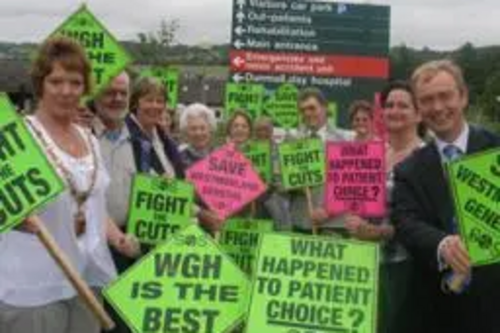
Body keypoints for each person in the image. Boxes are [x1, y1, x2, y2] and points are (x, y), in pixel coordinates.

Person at [0, 37, 116, 333]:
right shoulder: (17, 136)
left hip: (86, 281)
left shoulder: (90, 139)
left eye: (75, 83)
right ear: (41, 84)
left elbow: (95, 206)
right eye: (56, 81)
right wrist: (9, 216)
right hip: (32, 287)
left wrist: (118, 238)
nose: (66, 91)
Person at [392, 60, 500, 333]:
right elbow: (405, 222)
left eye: (445, 96)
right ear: (418, 108)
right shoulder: (408, 170)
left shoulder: (495, 148)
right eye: (427, 100)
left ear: (463, 96)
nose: (438, 107)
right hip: (434, 310)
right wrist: (443, 245)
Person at [344, 81, 426, 333]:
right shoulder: (374, 153)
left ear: (418, 114)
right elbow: (358, 199)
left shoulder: (427, 158)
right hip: (366, 261)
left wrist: (380, 232)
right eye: (389, 105)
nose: (395, 110)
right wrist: (353, 217)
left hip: (404, 267)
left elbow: (427, 222)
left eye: (403, 105)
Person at [289, 87, 353, 234]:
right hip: (302, 223)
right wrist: (292, 184)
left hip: (335, 224)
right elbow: (279, 182)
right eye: (302, 110)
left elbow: (351, 186)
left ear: (324, 108)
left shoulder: (344, 141)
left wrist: (328, 211)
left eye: (312, 108)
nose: (307, 113)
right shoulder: (292, 142)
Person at [125, 76, 184, 179]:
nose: (155, 106)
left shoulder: (165, 139)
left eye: (160, 101)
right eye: (149, 100)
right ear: (135, 103)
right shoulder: (123, 134)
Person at [178, 103, 223, 232]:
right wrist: (201, 214)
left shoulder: (221, 157)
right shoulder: (177, 157)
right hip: (189, 225)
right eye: (193, 128)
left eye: (203, 128)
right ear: (186, 131)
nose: (199, 133)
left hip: (218, 226)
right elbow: (176, 194)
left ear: (210, 129)